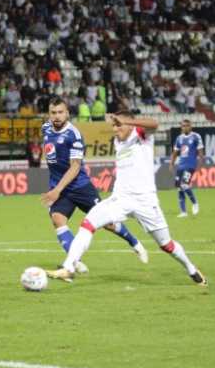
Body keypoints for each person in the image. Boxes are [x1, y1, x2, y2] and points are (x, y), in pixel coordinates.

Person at [47, 111, 206, 286]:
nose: (115, 130)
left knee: (166, 245)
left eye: (118, 126)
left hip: (145, 201)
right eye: (114, 126)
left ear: (130, 125)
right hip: (121, 199)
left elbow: (154, 123)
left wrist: (127, 120)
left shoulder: (142, 136)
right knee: (88, 223)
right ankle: (68, 268)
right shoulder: (118, 141)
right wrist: (120, 121)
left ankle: (191, 268)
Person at [40, 98, 147, 273]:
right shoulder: (45, 129)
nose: (57, 116)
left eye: (60, 112)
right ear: (49, 114)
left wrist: (56, 190)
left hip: (80, 187)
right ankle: (74, 262)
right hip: (60, 188)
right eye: (53, 112)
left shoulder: (74, 135)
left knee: (108, 223)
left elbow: (75, 167)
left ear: (67, 113)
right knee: (58, 219)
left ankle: (134, 242)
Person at [170, 120, 204, 217]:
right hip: (180, 166)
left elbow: (201, 153)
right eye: (183, 126)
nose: (185, 127)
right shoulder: (179, 138)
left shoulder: (196, 137)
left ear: (190, 126)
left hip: (190, 165)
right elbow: (175, 152)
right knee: (180, 189)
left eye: (187, 126)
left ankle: (195, 203)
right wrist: (171, 163)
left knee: (184, 185)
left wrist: (200, 167)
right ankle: (183, 212)